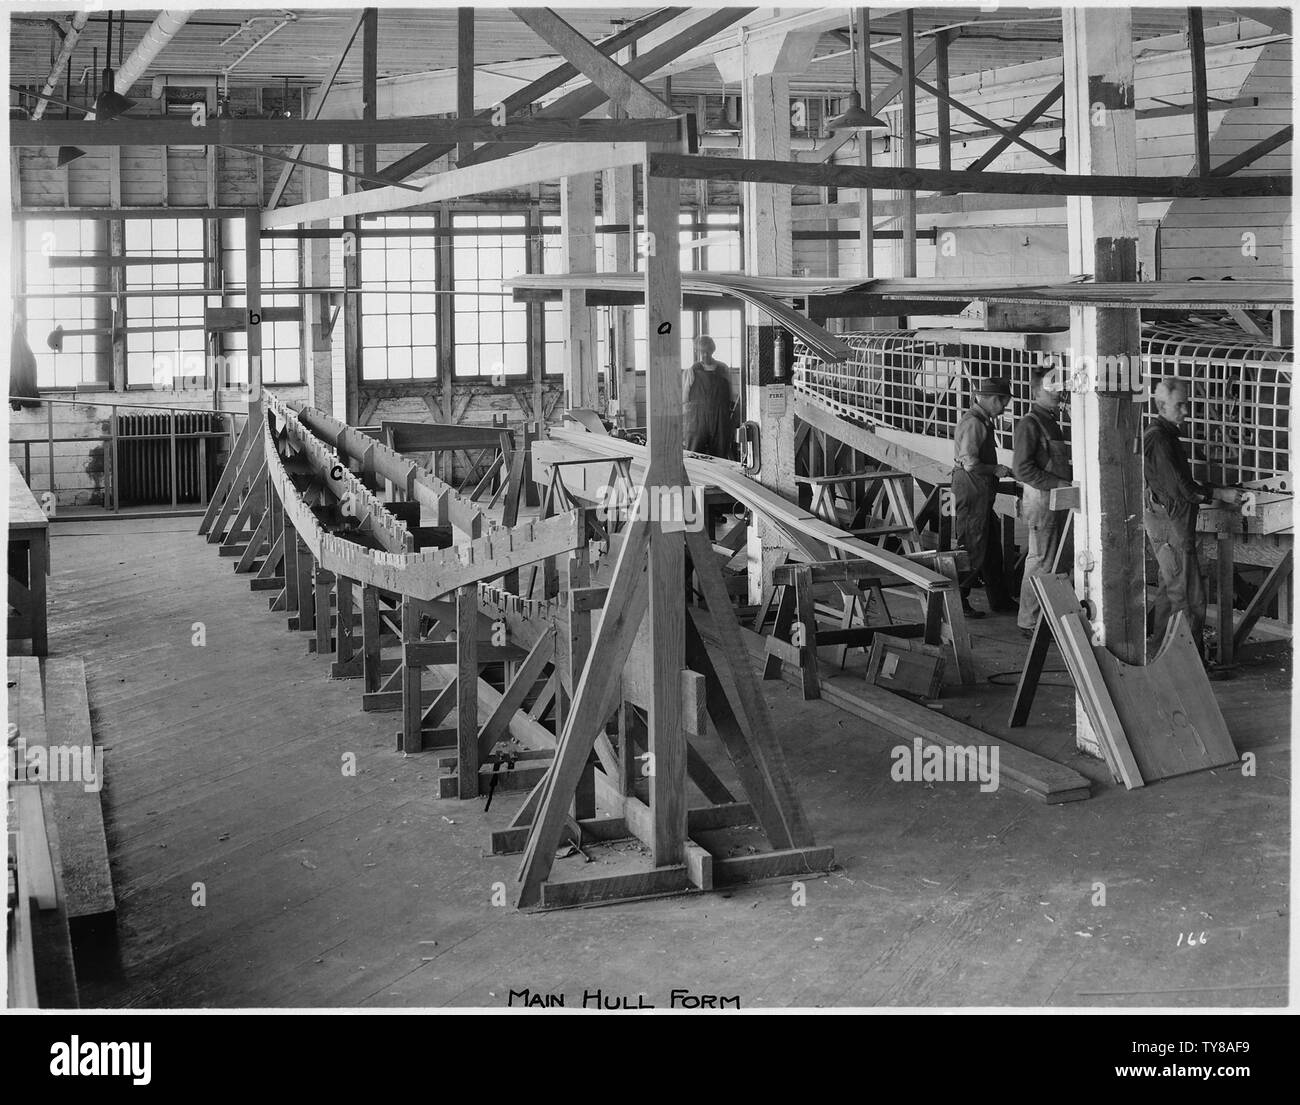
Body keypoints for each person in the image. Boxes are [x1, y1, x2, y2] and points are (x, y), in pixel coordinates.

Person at [1143, 379, 1238, 657]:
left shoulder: (1161, 434)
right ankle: (1187, 664)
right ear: (1162, 406)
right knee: (1189, 597)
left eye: (1186, 404)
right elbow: (1183, 489)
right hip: (1171, 525)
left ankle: (1160, 655)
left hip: (1167, 523)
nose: (1185, 411)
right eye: (1180, 405)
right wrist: (1219, 493)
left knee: (1170, 592)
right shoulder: (1160, 439)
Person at [1012, 367, 1073, 637]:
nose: (1058, 391)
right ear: (1036, 391)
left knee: (1051, 559)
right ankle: (1029, 621)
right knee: (1041, 561)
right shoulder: (1030, 423)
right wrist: (1058, 483)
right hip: (1041, 499)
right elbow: (1022, 470)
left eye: (1059, 386)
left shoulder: (1051, 420)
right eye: (1052, 387)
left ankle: (1043, 616)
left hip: (1054, 498)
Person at [952, 377, 1016, 618]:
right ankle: (958, 598)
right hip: (972, 487)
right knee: (972, 543)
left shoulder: (982, 421)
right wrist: (995, 469)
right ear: (992, 399)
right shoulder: (975, 423)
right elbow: (970, 464)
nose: (1004, 408)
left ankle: (999, 600)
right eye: (1004, 402)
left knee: (988, 545)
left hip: (978, 490)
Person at [682, 335, 733, 458]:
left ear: (713, 350)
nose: (705, 355)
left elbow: (730, 394)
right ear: (696, 352)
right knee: (694, 452)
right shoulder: (691, 371)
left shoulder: (723, 369)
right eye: (702, 352)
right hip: (697, 418)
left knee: (720, 452)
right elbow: (684, 399)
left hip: (720, 417)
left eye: (708, 352)